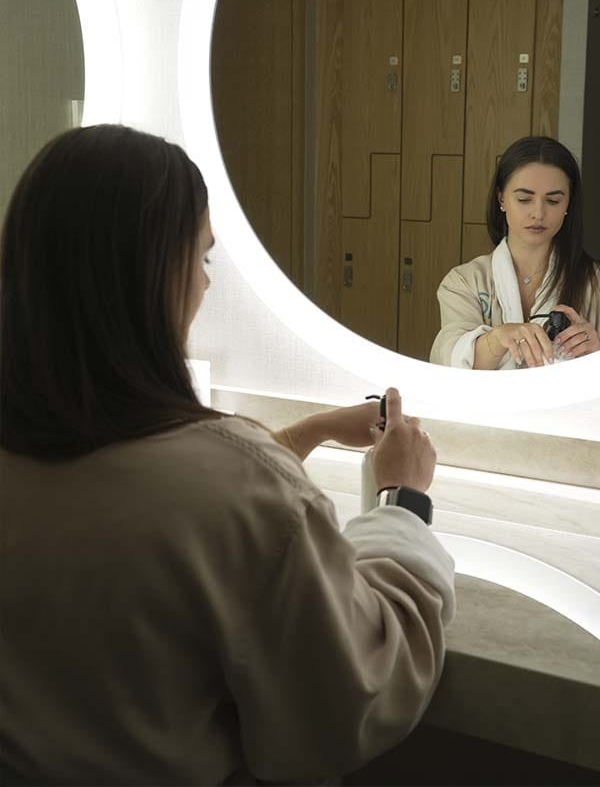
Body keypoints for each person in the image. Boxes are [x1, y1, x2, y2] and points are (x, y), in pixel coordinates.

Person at [0, 124, 455, 787]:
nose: (206, 286)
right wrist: (401, 500)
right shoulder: (235, 487)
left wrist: (308, 432)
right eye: (203, 257)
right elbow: (359, 692)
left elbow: (171, 495)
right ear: (157, 271)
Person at [430, 136, 600, 370]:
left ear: (568, 205)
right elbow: (449, 364)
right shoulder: (465, 282)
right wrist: (496, 339)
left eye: (553, 201)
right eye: (524, 199)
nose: (538, 213)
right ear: (501, 198)